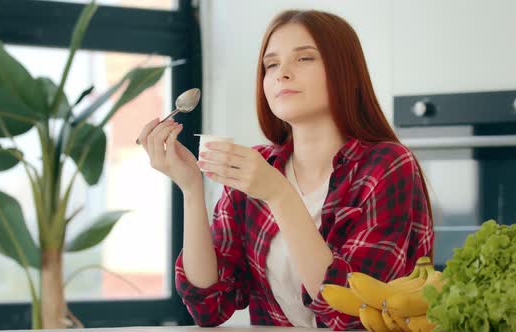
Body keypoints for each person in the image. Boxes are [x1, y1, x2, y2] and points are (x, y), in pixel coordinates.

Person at [137, 9, 434, 331]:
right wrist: (191, 189)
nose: (282, 74)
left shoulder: (388, 166)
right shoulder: (257, 166)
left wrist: (279, 193)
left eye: (304, 59)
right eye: (271, 64)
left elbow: (353, 316)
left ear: (345, 72)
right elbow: (209, 307)